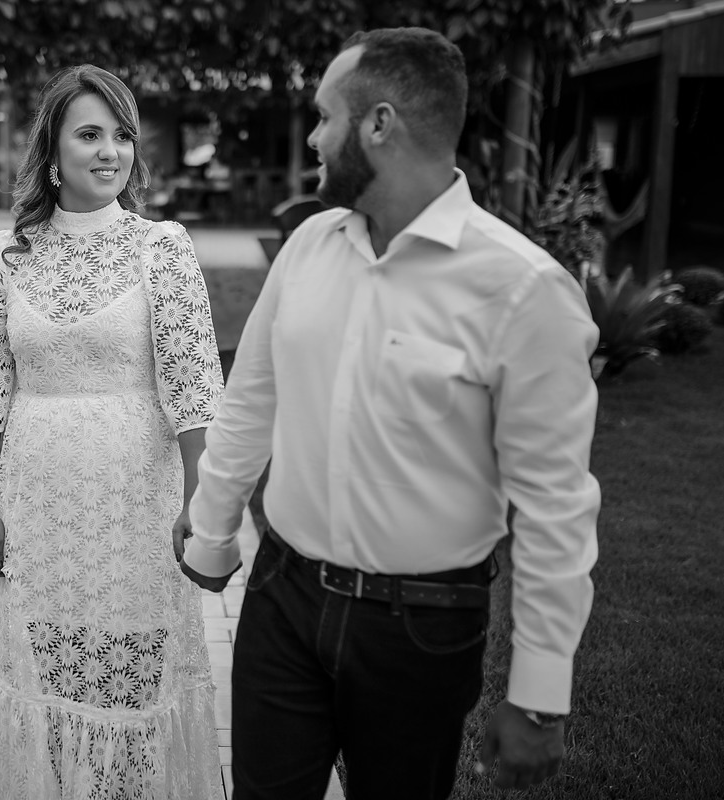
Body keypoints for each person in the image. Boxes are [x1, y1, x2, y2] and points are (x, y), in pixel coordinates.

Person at [178, 27, 601, 799]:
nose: (311, 136)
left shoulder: (523, 289)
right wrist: (211, 534)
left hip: (421, 627)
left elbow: (554, 506)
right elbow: (250, 399)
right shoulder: (307, 246)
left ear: (378, 124)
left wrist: (540, 696)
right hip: (282, 598)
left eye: (324, 118)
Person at [0, 64, 225, 800]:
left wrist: (199, 501)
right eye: (89, 134)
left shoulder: (160, 246)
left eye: (122, 135)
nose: (110, 151)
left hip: (135, 495)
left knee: (132, 682)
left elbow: (197, 387)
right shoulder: (1, 255)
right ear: (52, 153)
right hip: (41, 496)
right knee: (51, 672)